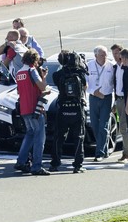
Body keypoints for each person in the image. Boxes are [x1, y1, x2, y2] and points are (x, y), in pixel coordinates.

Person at [14, 48, 50, 176]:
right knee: (40, 138)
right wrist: (44, 78)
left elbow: (19, 91)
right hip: (35, 108)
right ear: (34, 60)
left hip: (24, 108)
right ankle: (36, 166)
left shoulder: (19, 72)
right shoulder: (32, 70)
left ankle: (21, 161)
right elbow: (42, 87)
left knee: (29, 134)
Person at [51, 50, 87, 173]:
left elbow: (57, 85)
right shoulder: (80, 73)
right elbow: (85, 86)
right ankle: (78, 165)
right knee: (79, 137)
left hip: (63, 109)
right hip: (77, 108)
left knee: (58, 137)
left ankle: (55, 163)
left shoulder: (57, 75)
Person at [86, 46, 115, 162]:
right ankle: (104, 148)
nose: (104, 57)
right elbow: (85, 83)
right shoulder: (89, 65)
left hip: (106, 97)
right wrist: (94, 92)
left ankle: (99, 153)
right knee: (95, 125)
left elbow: (115, 83)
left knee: (103, 126)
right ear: (96, 56)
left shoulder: (111, 66)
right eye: (102, 55)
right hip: (93, 97)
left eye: (106, 55)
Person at [111, 44, 128, 163]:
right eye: (113, 54)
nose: (115, 56)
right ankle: (127, 153)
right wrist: (114, 102)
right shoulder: (115, 68)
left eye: (117, 53)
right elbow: (115, 86)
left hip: (127, 100)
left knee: (127, 128)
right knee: (122, 127)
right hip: (119, 100)